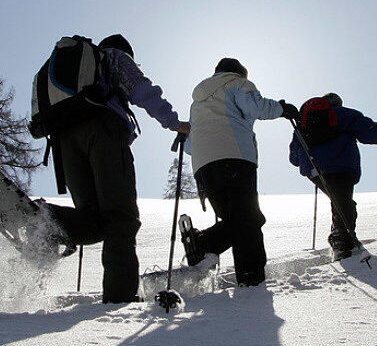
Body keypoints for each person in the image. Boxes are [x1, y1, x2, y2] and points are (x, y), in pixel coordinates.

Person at [43, 34, 189, 304]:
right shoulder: (114, 57)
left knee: (95, 221)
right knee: (121, 218)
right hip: (104, 131)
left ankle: (42, 217)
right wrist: (173, 122)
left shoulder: (81, 72)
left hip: (64, 141)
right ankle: (121, 299)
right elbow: (141, 90)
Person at [179, 58, 299, 287]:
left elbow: (189, 145)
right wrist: (283, 109)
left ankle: (216, 253)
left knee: (239, 219)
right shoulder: (238, 83)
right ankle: (243, 273)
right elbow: (256, 107)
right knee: (248, 219)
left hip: (204, 168)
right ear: (240, 72)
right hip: (234, 158)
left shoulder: (198, 101)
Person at [288, 93, 377, 260]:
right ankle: (341, 240)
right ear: (338, 103)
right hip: (341, 167)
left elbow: (293, 158)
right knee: (344, 201)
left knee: (339, 199)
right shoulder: (345, 114)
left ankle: (341, 237)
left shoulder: (303, 121)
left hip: (315, 170)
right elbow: (372, 134)